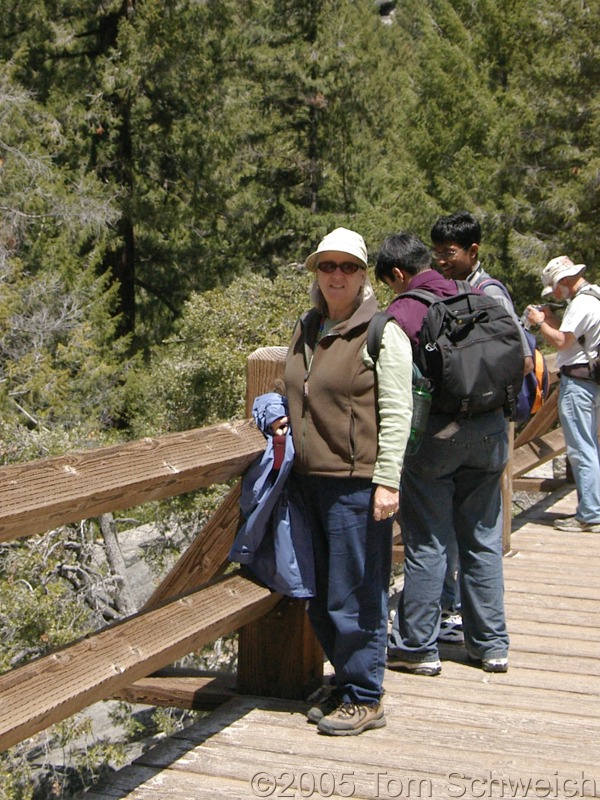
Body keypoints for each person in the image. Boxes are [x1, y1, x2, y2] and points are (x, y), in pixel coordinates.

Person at [275, 227, 413, 735]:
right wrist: (273, 409)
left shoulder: (383, 331)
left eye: (348, 267)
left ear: (363, 276)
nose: (336, 275)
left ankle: (365, 695)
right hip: (306, 481)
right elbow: (293, 388)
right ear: (315, 272)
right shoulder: (307, 327)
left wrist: (388, 481)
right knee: (319, 591)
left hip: (356, 484)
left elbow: (398, 411)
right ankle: (347, 678)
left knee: (355, 593)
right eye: (327, 266)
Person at [375, 231, 511, 676]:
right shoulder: (472, 291)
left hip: (437, 438)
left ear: (399, 274)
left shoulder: (404, 310)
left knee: (427, 541)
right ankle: (490, 645)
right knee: (482, 539)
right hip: (491, 430)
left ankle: (417, 646)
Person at [428, 211, 533, 645]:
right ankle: (484, 636)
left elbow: (522, 359)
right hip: (478, 427)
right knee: (469, 531)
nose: (440, 261)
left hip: (479, 425)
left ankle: (460, 617)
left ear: (473, 251)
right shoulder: (451, 290)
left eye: (449, 253)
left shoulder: (489, 294)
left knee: (471, 533)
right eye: (436, 253)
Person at [526, 256, 600, 533]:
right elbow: (573, 333)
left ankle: (590, 514)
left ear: (564, 281)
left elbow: (561, 341)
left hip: (578, 384)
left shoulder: (581, 304)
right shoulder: (594, 297)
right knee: (591, 445)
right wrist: (551, 318)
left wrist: (538, 322)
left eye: (555, 288)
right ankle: (593, 508)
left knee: (581, 448)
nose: (555, 294)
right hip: (593, 380)